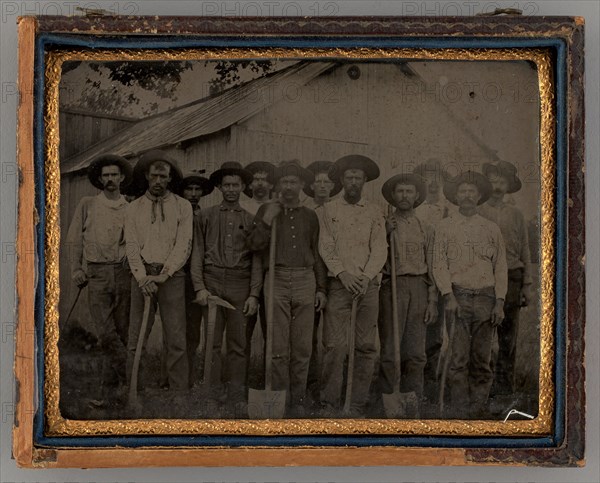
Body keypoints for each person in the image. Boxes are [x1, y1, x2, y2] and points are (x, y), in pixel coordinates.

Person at [246, 160, 328, 417]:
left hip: (305, 279)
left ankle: (299, 399)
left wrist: (321, 288)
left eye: (294, 182)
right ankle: (278, 399)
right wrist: (267, 220)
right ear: (278, 185)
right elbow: (254, 246)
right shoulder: (267, 210)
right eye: (284, 182)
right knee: (277, 346)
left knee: (302, 347)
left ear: (302, 185)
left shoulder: (311, 216)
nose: (289, 186)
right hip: (277, 278)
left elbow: (317, 252)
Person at [432, 170, 508, 419]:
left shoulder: (491, 228)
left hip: (486, 298)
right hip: (459, 297)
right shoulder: (444, 227)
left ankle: (478, 411)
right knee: (458, 358)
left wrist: (499, 302)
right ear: (455, 196)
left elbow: (500, 267)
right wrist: (448, 295)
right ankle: (459, 413)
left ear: (479, 196)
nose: (467, 195)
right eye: (462, 191)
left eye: (471, 191)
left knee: (482, 359)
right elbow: (439, 264)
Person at [318, 154, 388, 417]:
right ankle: (329, 402)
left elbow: (380, 248)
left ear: (365, 181)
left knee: (365, 346)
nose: (353, 182)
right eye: (349, 177)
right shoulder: (329, 211)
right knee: (335, 345)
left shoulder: (373, 211)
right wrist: (342, 274)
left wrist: (367, 277)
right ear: (342, 180)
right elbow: (325, 246)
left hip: (367, 287)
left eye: (358, 177)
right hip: (340, 285)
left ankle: (357, 403)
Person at [190, 162, 261, 417]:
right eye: (226, 185)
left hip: (240, 283)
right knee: (212, 342)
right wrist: (199, 287)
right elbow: (196, 253)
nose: (231, 189)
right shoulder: (204, 216)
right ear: (219, 187)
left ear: (243, 187)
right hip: (212, 280)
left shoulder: (250, 219)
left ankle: (235, 395)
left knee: (238, 343)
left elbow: (257, 260)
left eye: (236, 185)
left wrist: (253, 293)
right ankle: (210, 394)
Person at [124, 150, 193, 409]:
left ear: (170, 178)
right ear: (146, 176)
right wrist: (143, 277)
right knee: (135, 337)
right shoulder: (133, 209)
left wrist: (166, 273)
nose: (159, 180)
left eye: (164, 176)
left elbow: (184, 243)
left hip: (171, 276)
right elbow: (131, 245)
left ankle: (178, 394)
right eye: (154, 175)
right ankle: (134, 390)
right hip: (141, 276)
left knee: (175, 336)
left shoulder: (182, 206)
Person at [65, 153, 132, 406]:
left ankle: (112, 394)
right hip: (97, 272)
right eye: (106, 175)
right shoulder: (88, 204)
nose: (110, 179)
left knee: (122, 330)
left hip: (124, 273)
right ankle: (132, 378)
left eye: (114, 175)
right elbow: (74, 239)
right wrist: (76, 269)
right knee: (105, 332)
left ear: (122, 177)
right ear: (99, 179)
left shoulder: (129, 206)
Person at [378, 173, 438, 414]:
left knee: (415, 350)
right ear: (393, 196)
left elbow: (432, 264)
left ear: (416, 197)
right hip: (393, 285)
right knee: (391, 348)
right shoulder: (385, 223)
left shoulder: (426, 227)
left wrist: (432, 298)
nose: (404, 196)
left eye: (409, 192)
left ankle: (413, 400)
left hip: (419, 287)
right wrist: (384, 232)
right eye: (400, 191)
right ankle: (388, 400)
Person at [479, 160, 531, 398]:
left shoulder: (516, 214)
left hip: (512, 276)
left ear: (509, 185)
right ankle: (481, 386)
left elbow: (525, 250)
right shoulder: (480, 211)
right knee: (483, 334)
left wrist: (526, 285)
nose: (498, 185)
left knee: (508, 336)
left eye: (503, 181)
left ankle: (503, 390)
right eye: (494, 180)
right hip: (484, 278)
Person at [159, 171, 213, 389]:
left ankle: (188, 379)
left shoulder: (205, 216)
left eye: (197, 190)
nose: (192, 194)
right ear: (181, 191)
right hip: (173, 276)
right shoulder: (174, 212)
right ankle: (167, 378)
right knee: (172, 329)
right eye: (188, 189)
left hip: (195, 279)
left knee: (192, 330)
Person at [412, 159, 453, 405]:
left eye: (438, 178)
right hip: (419, 275)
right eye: (428, 177)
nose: (434, 183)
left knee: (436, 335)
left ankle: (432, 383)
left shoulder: (448, 212)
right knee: (416, 332)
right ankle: (412, 386)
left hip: (441, 277)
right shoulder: (415, 210)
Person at [302, 160, 343, 407]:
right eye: (318, 181)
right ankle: (308, 385)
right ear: (311, 186)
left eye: (327, 182)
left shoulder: (339, 210)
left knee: (333, 338)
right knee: (308, 335)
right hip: (312, 277)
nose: (322, 186)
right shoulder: (306, 210)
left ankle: (330, 390)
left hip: (337, 278)